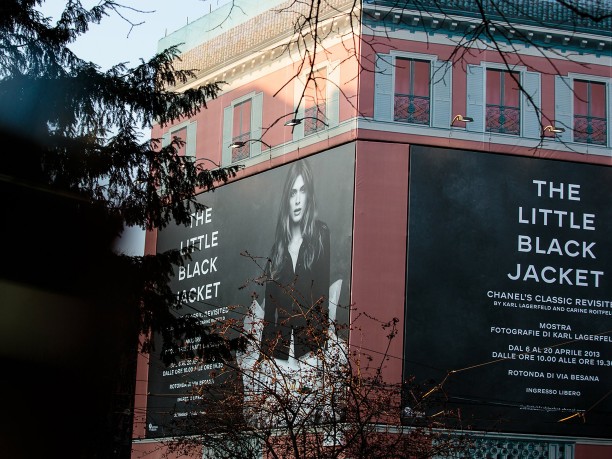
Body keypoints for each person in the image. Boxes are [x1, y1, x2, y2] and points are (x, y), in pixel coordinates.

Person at [260, 159, 331, 361]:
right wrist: (264, 360)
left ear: (309, 195)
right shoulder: (276, 251)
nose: (298, 200)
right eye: (292, 193)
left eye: (302, 191)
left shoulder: (320, 235)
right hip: (280, 356)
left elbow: (322, 296)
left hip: (310, 349)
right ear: (286, 199)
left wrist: (320, 347)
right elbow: (269, 316)